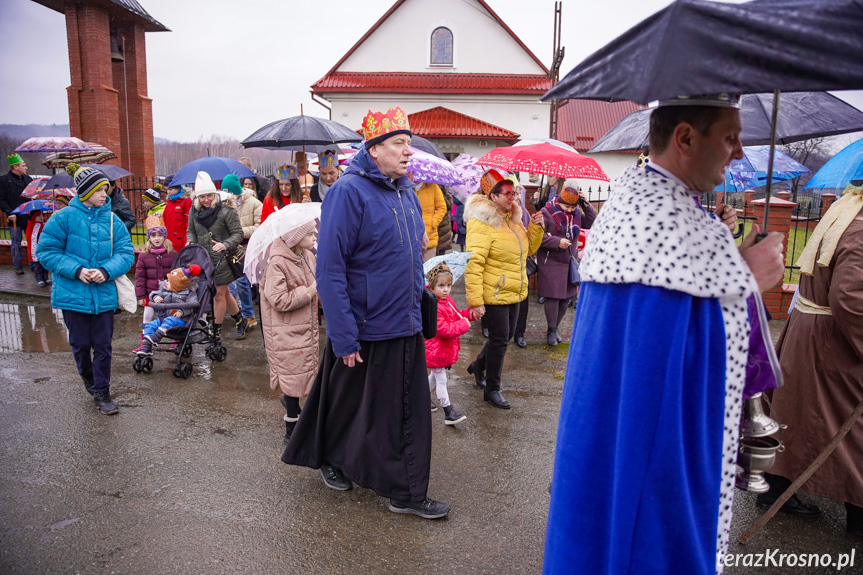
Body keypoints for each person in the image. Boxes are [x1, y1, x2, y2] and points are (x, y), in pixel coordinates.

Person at [543, 94, 786, 574]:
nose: (739, 153)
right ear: (686, 138)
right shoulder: (671, 221)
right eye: (731, 138)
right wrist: (747, 280)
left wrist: (732, 272)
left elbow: (674, 316)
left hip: (610, 427)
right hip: (652, 448)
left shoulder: (638, 202)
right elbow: (670, 350)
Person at [282, 106, 451, 520]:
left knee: (380, 406)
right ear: (374, 149)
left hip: (404, 318)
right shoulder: (348, 192)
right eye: (398, 143)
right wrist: (343, 334)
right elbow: (331, 268)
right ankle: (386, 482)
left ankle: (385, 480)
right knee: (359, 402)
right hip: (364, 323)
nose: (407, 151)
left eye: (408, 143)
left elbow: (410, 256)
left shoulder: (406, 192)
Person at [757, 182, 863, 537]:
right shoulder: (860, 221)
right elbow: (851, 297)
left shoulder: (847, 209)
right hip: (833, 338)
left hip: (813, 329)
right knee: (848, 423)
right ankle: (857, 510)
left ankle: (773, 487)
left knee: (797, 411)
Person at [36, 163, 135, 415]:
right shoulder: (63, 218)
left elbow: (125, 253)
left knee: (103, 346)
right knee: (80, 344)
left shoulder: (113, 220)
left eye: (106, 189)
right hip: (72, 295)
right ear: (85, 191)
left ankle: (102, 392)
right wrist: (77, 270)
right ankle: (89, 380)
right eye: (100, 190)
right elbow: (46, 252)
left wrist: (105, 271)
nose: (106, 194)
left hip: (104, 295)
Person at [464, 168, 544, 409]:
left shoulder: (513, 219)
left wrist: (537, 228)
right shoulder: (482, 223)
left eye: (514, 192)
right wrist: (475, 301)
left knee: (505, 336)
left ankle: (478, 365)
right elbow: (474, 262)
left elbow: (529, 250)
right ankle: (492, 388)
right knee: (500, 340)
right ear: (493, 196)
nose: (513, 197)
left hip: (516, 289)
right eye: (508, 193)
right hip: (495, 291)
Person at [260, 219, 318, 445]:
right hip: (285, 331)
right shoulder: (277, 264)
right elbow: (279, 300)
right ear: (295, 238)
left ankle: (299, 415)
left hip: (305, 327)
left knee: (305, 371)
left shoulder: (308, 256)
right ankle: (291, 430)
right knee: (293, 374)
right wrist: (311, 291)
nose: (315, 238)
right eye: (310, 234)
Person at [186, 171, 244, 349]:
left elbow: (238, 234)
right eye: (202, 196)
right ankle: (240, 320)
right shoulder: (194, 211)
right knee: (224, 293)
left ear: (215, 194)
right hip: (203, 259)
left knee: (218, 294)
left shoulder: (226, 211)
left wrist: (225, 244)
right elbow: (191, 231)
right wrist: (190, 243)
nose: (206, 200)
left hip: (223, 259)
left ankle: (215, 334)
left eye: (209, 195)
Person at [536, 186, 597, 346]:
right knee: (553, 297)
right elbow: (537, 238)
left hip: (570, 261)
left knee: (565, 299)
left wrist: (585, 204)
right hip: (551, 261)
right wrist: (557, 241)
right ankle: (550, 330)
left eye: (572, 206)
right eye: (567, 206)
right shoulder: (546, 212)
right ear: (559, 202)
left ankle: (555, 328)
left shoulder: (577, 213)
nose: (570, 209)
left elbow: (593, 221)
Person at [425, 262, 469, 426]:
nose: (446, 289)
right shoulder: (433, 304)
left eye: (449, 285)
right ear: (432, 285)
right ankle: (449, 412)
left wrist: (470, 315)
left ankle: (421, 397)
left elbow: (457, 317)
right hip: (435, 350)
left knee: (434, 377)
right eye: (441, 285)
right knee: (441, 380)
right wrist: (464, 325)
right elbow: (442, 330)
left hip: (442, 350)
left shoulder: (447, 300)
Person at [223, 174, 260, 338]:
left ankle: (248, 315)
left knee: (242, 282)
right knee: (228, 285)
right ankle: (238, 315)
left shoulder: (253, 203)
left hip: (245, 248)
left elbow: (259, 226)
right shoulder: (224, 204)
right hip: (228, 248)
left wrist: (238, 233)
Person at [136, 264, 202, 356]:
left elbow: (193, 306)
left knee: (169, 320)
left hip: (181, 321)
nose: (166, 282)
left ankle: (156, 337)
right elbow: (153, 293)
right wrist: (155, 297)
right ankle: (146, 347)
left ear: (177, 284)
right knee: (150, 325)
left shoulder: (189, 294)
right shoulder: (165, 291)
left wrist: (182, 311)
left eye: (169, 281)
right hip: (164, 319)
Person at [135, 215, 176, 326]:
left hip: (168, 293)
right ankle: (145, 339)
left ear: (164, 237)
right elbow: (140, 277)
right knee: (147, 318)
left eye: (160, 235)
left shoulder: (172, 254)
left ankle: (174, 338)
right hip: (150, 293)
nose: (157, 239)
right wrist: (141, 296)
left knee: (171, 317)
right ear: (149, 237)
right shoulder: (144, 256)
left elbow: (176, 274)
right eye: (153, 236)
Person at [0, 153, 32, 275]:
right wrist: (9, 213)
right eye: (23, 165)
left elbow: (33, 197)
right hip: (14, 217)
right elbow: (1, 199)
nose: (26, 167)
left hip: (28, 216)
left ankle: (33, 264)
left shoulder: (28, 179)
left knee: (31, 241)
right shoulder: (3, 180)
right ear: (15, 167)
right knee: (16, 243)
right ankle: (18, 267)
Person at [414, 180, 446, 261]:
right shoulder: (405, 188)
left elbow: (442, 207)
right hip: (412, 236)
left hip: (430, 235)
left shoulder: (433, 186)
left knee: (428, 269)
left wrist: (433, 222)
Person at [162, 175, 192, 252]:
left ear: (177, 188)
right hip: (168, 241)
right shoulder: (169, 201)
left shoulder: (186, 201)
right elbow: (165, 219)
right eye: (167, 190)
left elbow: (189, 223)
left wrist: (187, 241)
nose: (168, 192)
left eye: (170, 189)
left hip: (181, 242)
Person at [24, 209, 50, 287]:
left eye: (42, 215)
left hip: (44, 249)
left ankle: (46, 278)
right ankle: (40, 279)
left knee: (45, 265)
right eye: (38, 216)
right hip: (37, 249)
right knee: (38, 266)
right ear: (34, 217)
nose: (41, 217)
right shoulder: (32, 225)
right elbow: (31, 236)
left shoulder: (44, 224)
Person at [436, 186, 454, 256]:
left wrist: (441, 194)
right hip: (433, 224)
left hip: (443, 225)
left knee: (441, 253)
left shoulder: (445, 192)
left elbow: (449, 206)